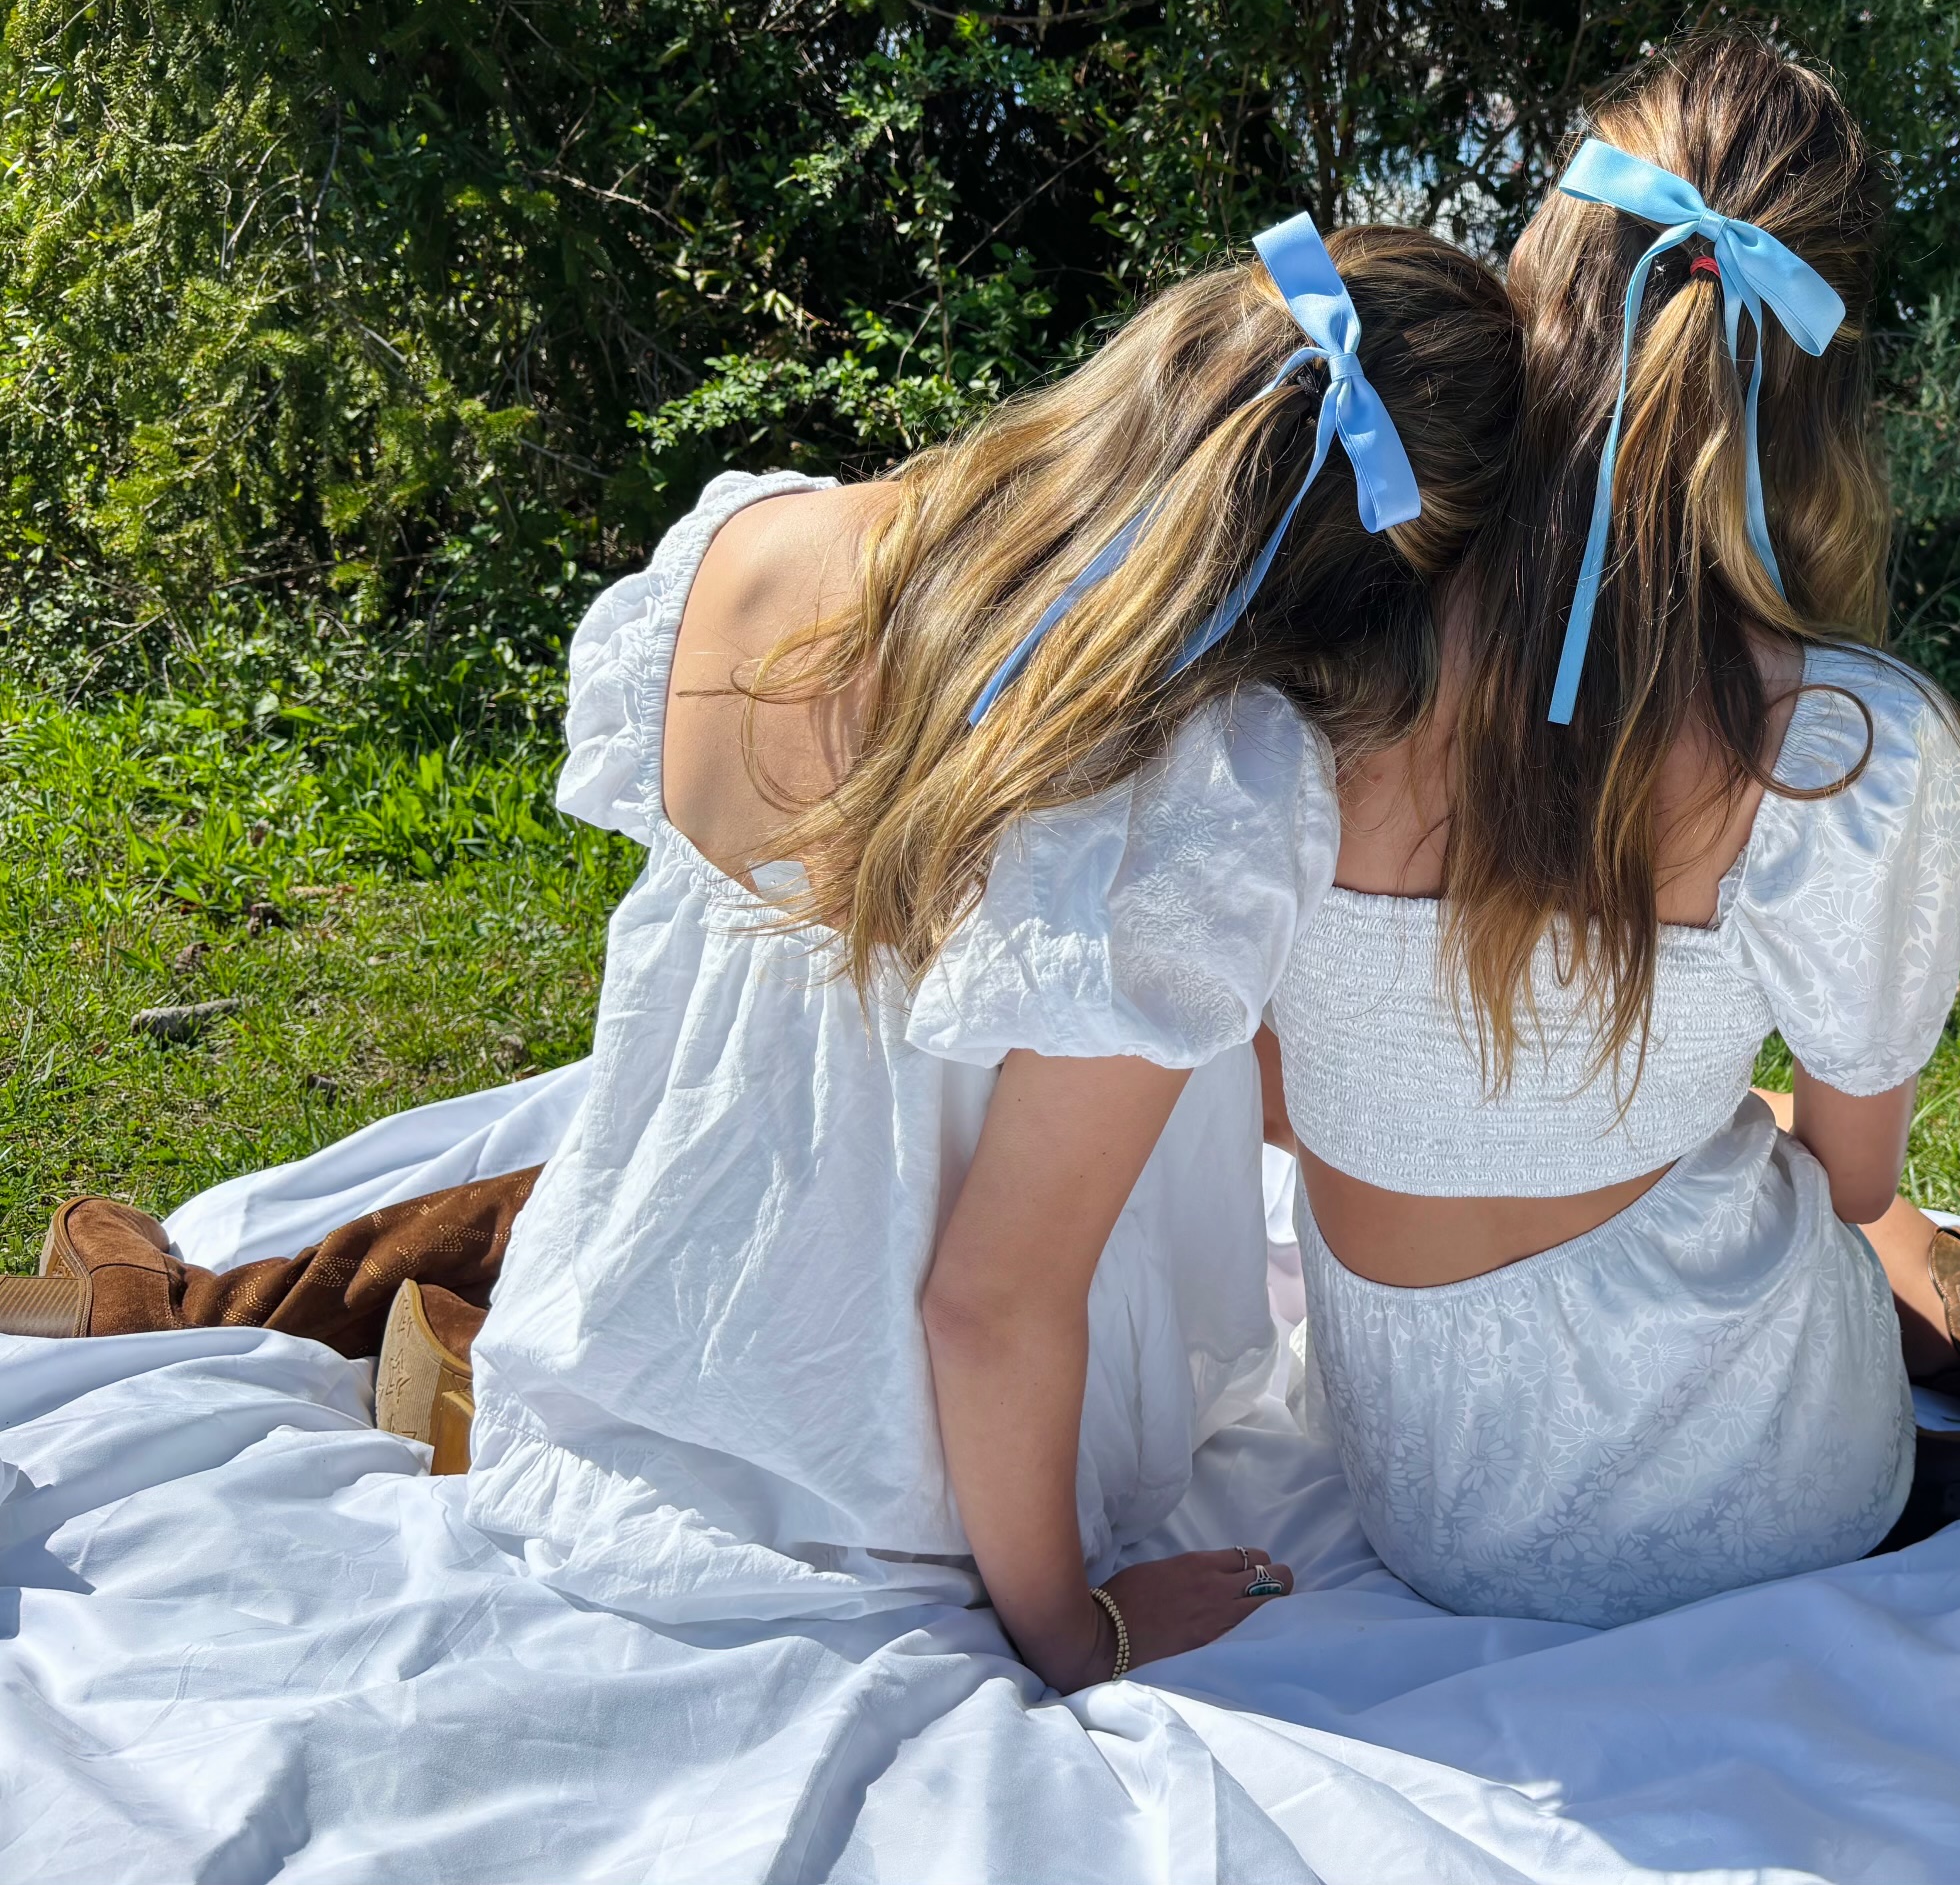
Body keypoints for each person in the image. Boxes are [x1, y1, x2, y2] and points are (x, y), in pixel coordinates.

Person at [6, 217, 1521, 1692]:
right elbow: (988, 1302)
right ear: (1375, 587)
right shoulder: (1199, 773)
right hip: (884, 1455)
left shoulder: (766, 535)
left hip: (628, 1319)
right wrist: (1074, 1630)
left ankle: (371, 1329)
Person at [1261, 32, 1960, 1627]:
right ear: (1819, 384)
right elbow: (1855, 1172)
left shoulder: (1323, 649)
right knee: (1841, 1210)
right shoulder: (1842, 747)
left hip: (1425, 1485)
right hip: (1758, 1491)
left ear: (1541, 270)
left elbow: (1283, 1082)